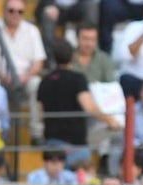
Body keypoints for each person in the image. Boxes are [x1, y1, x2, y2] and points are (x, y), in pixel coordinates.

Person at [36, 39, 121, 169]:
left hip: (52, 142)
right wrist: (110, 120)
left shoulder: (45, 81)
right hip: (75, 143)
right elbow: (88, 106)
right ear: (73, 57)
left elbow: (40, 113)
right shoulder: (77, 79)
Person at [0, 0, 47, 141]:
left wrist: (24, 77)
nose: (15, 14)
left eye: (20, 11)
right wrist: (2, 76)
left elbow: (38, 62)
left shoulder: (32, 31)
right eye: (11, 10)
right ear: (3, 11)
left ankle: (36, 134)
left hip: (25, 78)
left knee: (36, 84)